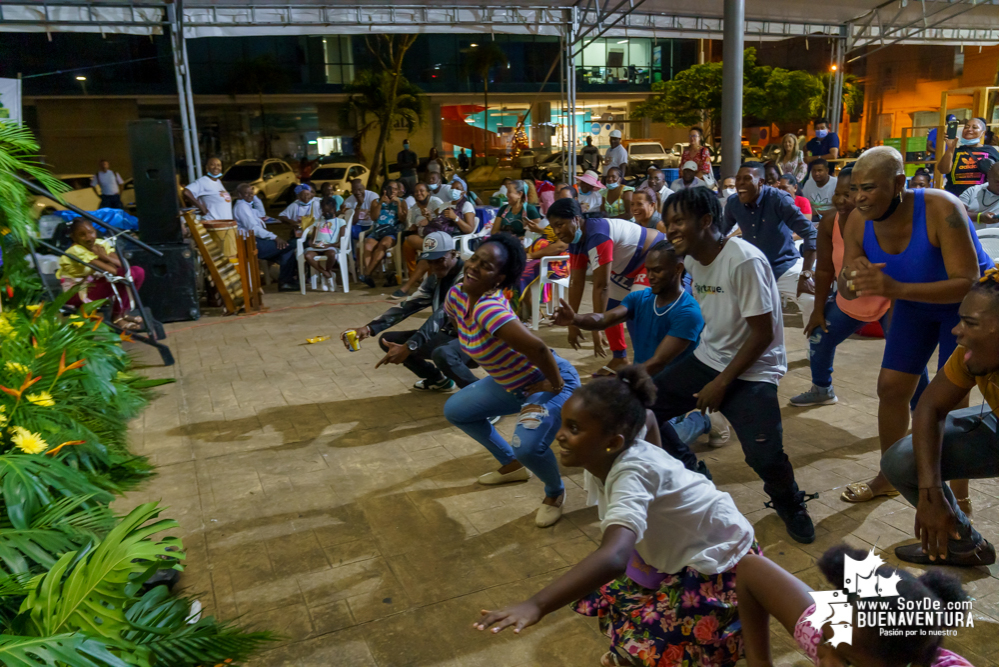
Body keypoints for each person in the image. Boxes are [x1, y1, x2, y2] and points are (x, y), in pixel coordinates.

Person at [473, 366, 757, 667]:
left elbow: (613, 557)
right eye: (564, 424)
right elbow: (647, 418)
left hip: (719, 555)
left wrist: (536, 605)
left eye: (574, 428)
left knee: (678, 637)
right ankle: (631, 651)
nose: (560, 436)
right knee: (623, 598)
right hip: (684, 542)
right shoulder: (611, 450)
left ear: (613, 441)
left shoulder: (631, 473)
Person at [658, 187, 815, 543]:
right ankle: (692, 473)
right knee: (642, 408)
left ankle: (789, 501)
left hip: (754, 367)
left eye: (678, 221)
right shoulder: (694, 260)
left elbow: (761, 335)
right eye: (667, 223)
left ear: (707, 221)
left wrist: (722, 383)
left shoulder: (743, 260)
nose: (670, 230)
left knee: (764, 454)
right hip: (710, 358)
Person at [838, 146, 991, 504]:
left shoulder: (941, 208)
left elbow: (967, 281)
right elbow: (846, 285)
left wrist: (894, 289)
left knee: (952, 400)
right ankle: (889, 475)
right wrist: (852, 276)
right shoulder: (858, 221)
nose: (859, 198)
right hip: (913, 305)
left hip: (968, 310)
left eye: (869, 188)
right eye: (855, 188)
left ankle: (959, 492)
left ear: (898, 183)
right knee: (891, 388)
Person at [443, 233, 581, 527]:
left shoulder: (489, 310)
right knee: (456, 411)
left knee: (528, 445)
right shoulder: (457, 295)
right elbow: (457, 330)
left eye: (486, 266)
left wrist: (554, 386)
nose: (474, 267)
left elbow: (539, 348)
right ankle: (513, 466)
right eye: (475, 258)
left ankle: (555, 492)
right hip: (512, 384)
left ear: (499, 278)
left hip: (550, 381)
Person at [881, 272, 999, 567]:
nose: (957, 331)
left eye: (970, 323)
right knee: (902, 460)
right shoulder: (969, 355)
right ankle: (962, 545)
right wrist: (931, 493)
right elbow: (930, 406)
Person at [737, 543, 974, 666]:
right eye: (825, 639)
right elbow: (751, 569)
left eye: (848, 663)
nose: (824, 659)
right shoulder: (845, 639)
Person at [342, 232, 484, 392]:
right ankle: (437, 379)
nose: (434, 266)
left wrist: (410, 346)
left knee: (442, 353)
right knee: (388, 340)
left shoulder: (466, 279)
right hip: (451, 336)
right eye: (430, 262)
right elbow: (407, 306)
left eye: (440, 261)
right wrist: (369, 328)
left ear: (453, 253)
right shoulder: (435, 278)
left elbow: (441, 316)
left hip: (477, 341)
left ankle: (482, 397)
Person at [548, 198, 665, 376]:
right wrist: (572, 323)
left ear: (576, 219)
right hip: (627, 265)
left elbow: (601, 286)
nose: (557, 232)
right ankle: (619, 358)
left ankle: (645, 366)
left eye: (560, 225)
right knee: (611, 308)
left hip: (652, 256)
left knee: (635, 312)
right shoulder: (576, 240)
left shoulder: (597, 235)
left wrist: (597, 327)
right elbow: (576, 282)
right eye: (553, 227)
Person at [723, 162, 817, 329]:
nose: (740, 184)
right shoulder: (733, 203)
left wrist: (807, 273)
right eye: (738, 179)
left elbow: (810, 233)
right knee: (721, 299)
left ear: (761, 182)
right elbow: (719, 233)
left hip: (784, 264)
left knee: (811, 299)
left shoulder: (778, 199)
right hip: (751, 267)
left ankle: (814, 351)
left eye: (747, 179)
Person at [58, 219, 145, 329]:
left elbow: (123, 265)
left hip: (93, 283)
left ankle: (123, 312)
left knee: (138, 271)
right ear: (73, 237)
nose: (89, 238)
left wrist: (105, 257)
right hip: (77, 291)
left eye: (91, 232)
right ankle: (116, 317)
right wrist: (104, 258)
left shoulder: (99, 243)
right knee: (122, 275)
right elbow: (113, 270)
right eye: (82, 235)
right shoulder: (75, 250)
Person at [232, 184, 298, 292]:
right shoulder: (241, 207)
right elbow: (253, 228)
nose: (250, 195)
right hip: (250, 242)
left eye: (251, 193)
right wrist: (275, 237)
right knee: (287, 247)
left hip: (255, 240)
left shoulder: (247, 205)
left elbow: (261, 213)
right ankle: (285, 282)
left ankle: (286, 279)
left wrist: (254, 196)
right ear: (239, 195)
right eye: (246, 193)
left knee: (283, 251)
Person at [394, 183, 447, 299]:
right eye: (416, 192)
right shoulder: (414, 208)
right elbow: (413, 225)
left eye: (421, 191)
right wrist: (414, 227)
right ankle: (415, 276)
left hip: (437, 236)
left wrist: (429, 220)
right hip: (423, 236)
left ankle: (417, 283)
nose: (419, 193)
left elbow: (442, 223)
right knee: (407, 243)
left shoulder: (435, 202)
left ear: (428, 192)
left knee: (428, 249)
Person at [358, 182, 407, 288]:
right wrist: (381, 203)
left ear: (398, 191)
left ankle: (367, 274)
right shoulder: (376, 202)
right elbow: (374, 218)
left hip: (392, 232)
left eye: (395, 189)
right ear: (385, 189)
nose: (393, 191)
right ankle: (368, 276)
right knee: (368, 246)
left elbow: (403, 219)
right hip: (377, 231)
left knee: (383, 245)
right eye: (390, 188)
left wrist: (398, 204)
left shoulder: (402, 202)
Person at [938, 117, 999, 197]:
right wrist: (950, 148)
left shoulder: (991, 150)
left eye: (974, 127)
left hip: (983, 200)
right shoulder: (955, 151)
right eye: (966, 127)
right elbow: (943, 170)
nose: (969, 129)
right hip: (956, 198)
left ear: (982, 133)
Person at [300, 196, 347, 292]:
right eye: (324, 211)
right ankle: (327, 274)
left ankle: (326, 273)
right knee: (308, 256)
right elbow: (312, 239)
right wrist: (312, 244)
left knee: (331, 254)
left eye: (328, 211)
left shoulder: (340, 222)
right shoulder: (318, 222)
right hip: (317, 247)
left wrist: (328, 245)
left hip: (330, 247)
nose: (326, 213)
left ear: (334, 209)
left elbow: (340, 241)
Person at [959, 159, 999, 227]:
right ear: (988, 178)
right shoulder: (973, 191)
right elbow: (955, 213)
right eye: (998, 182)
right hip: (970, 236)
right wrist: (979, 217)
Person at [340, 178, 380, 243]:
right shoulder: (348, 201)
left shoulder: (373, 196)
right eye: (354, 190)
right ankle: (351, 252)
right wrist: (358, 205)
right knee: (348, 230)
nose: (357, 192)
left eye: (359, 189)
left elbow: (375, 217)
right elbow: (353, 222)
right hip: (358, 226)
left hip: (371, 226)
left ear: (364, 188)